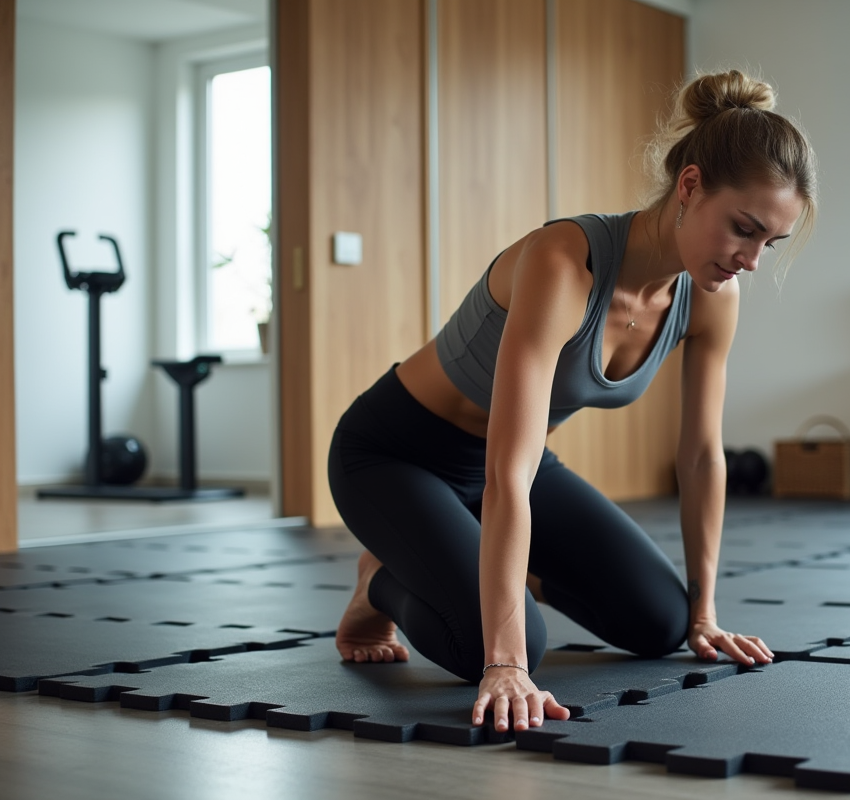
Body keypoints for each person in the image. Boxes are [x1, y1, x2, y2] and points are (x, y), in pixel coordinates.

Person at [327, 69, 817, 734]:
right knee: (502, 646)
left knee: (661, 623)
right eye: (744, 229)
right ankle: (379, 578)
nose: (752, 260)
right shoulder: (565, 262)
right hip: (395, 455)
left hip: (510, 467)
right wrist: (505, 662)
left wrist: (705, 613)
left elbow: (702, 457)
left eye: (770, 243)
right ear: (691, 185)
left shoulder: (712, 297)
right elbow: (509, 469)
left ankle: (459, 554)